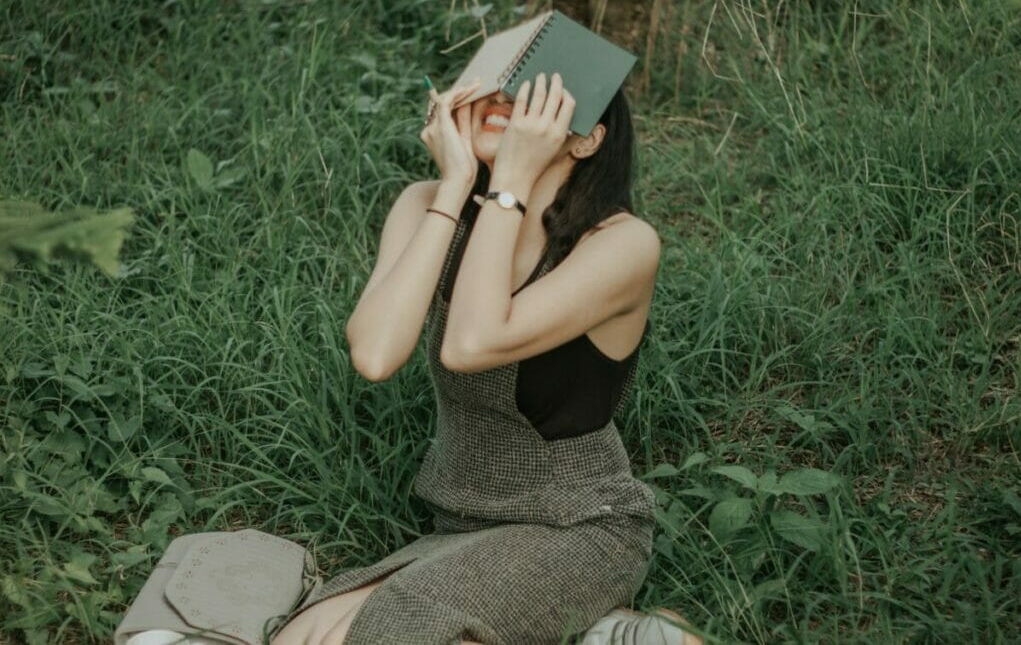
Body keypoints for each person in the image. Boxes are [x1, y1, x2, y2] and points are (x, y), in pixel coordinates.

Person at [270, 72, 700, 645]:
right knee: (305, 635)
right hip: (459, 525)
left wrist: (513, 179)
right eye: (498, 89)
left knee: (393, 632)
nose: (504, 102)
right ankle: (606, 635)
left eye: (534, 98)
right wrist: (452, 188)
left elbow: (470, 343)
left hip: (580, 524)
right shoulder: (425, 203)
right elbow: (375, 354)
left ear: (586, 138)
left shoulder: (623, 244)